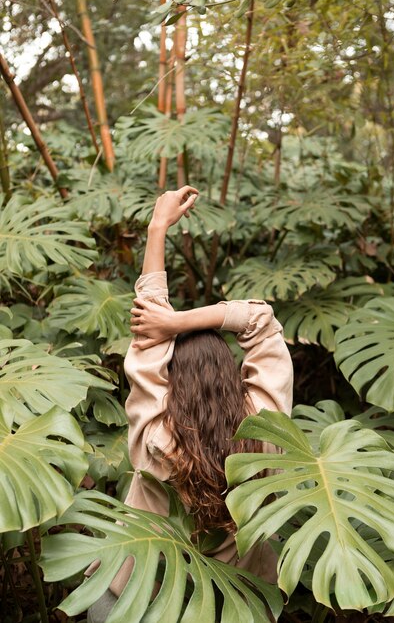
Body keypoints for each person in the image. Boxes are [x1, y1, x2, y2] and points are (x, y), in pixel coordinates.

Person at [87, 186, 293, 623]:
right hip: (231, 604)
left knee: (103, 602)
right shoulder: (265, 433)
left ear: (170, 378)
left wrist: (157, 227)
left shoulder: (155, 433)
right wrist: (182, 321)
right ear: (233, 375)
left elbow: (147, 332)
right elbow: (261, 321)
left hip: (141, 597)